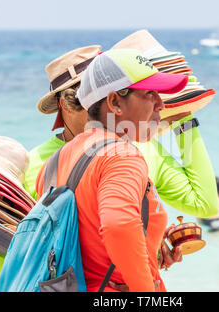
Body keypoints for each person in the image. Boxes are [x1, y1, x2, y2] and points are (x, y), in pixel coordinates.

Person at [0, 44, 219, 272]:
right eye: (85, 101)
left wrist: (183, 117)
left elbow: (204, 203)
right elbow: (29, 265)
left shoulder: (140, 149)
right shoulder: (38, 165)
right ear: (65, 105)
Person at [34, 48, 187, 291]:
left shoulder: (54, 161)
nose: (161, 104)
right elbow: (119, 226)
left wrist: (148, 241)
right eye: (150, 93)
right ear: (114, 102)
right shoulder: (122, 156)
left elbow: (82, 243)